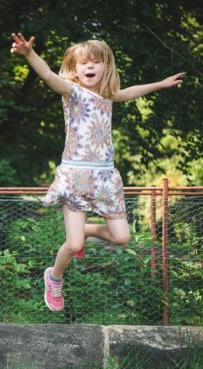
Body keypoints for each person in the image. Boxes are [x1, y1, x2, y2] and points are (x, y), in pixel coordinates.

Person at [10, 33, 184, 312]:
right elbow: (48, 76)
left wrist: (161, 84)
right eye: (83, 63)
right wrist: (29, 54)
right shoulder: (71, 91)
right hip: (76, 176)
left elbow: (129, 92)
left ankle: (88, 229)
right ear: (75, 69)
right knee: (73, 242)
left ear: (106, 66)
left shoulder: (107, 94)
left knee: (122, 238)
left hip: (105, 177)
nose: (89, 66)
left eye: (96, 62)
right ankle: (54, 277)